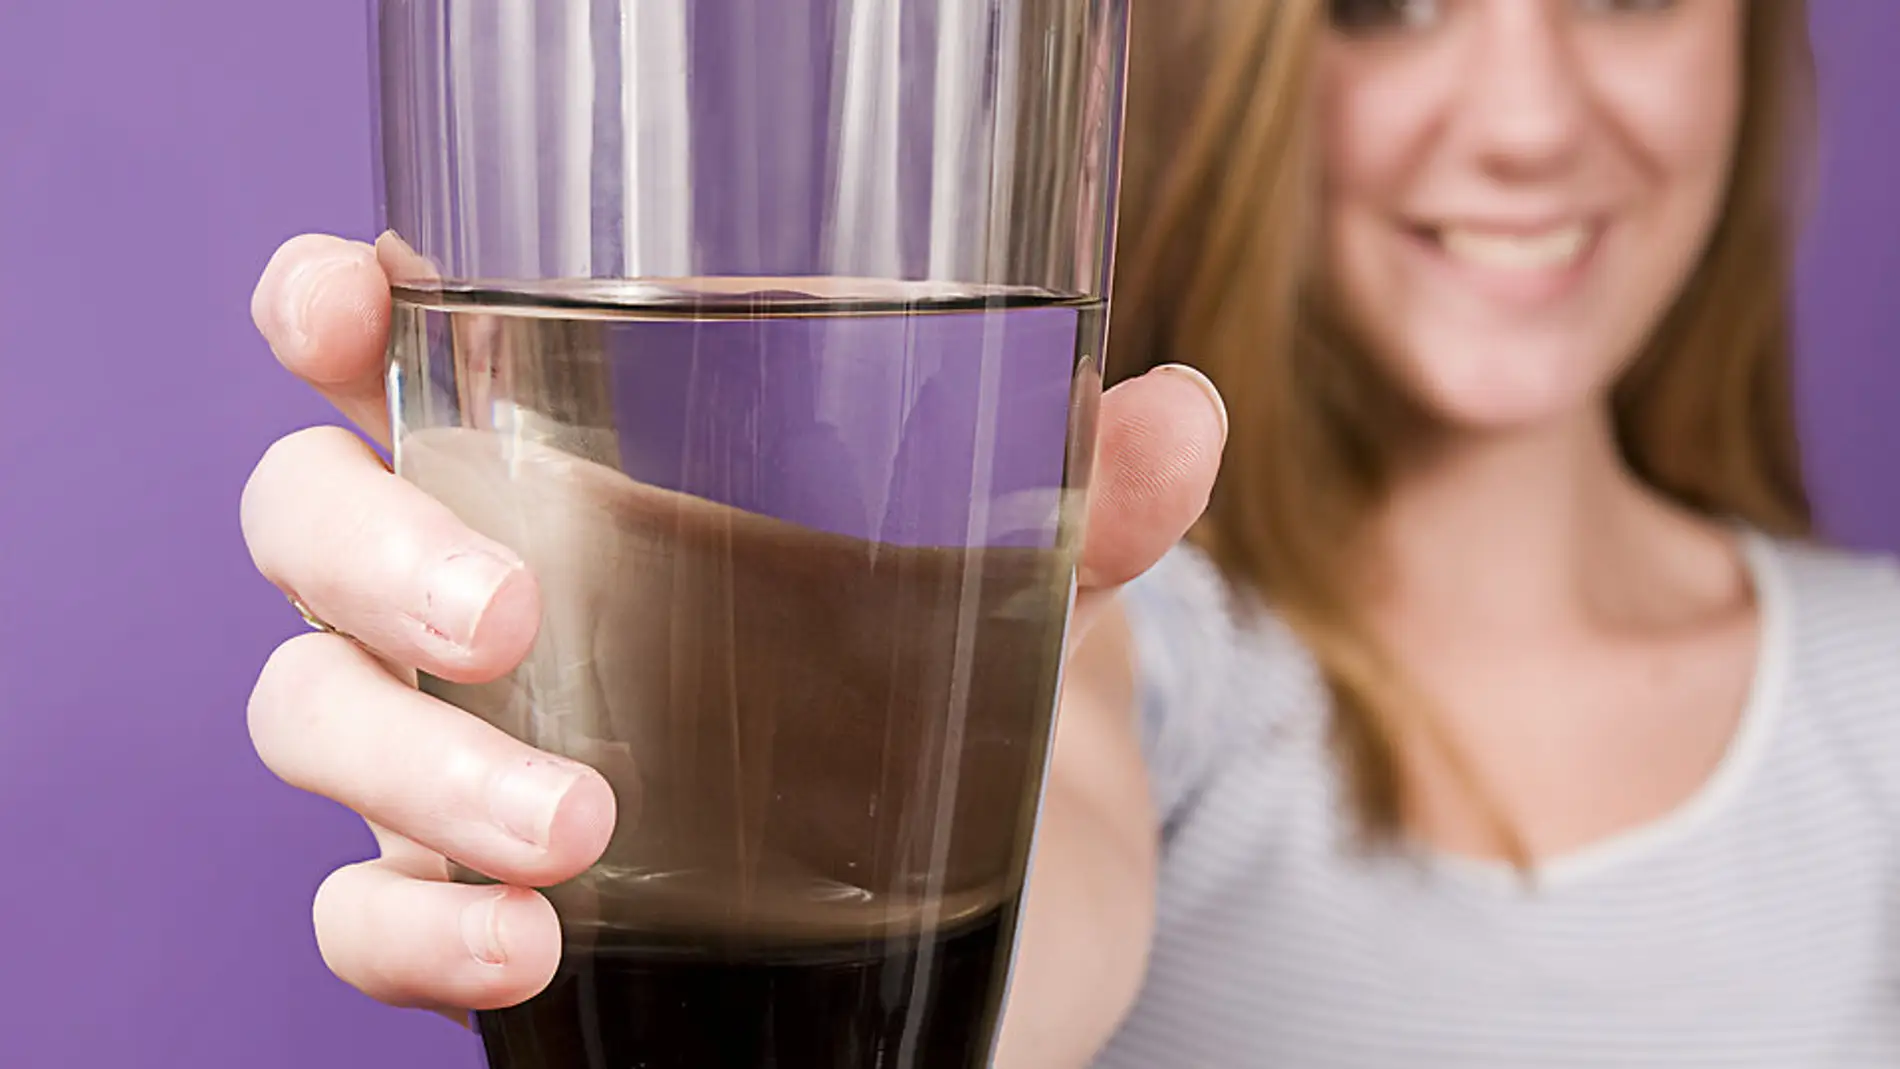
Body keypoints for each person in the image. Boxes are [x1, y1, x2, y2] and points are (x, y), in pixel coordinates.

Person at [240, 0, 1900, 1064]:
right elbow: (1042, 898)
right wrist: (630, 680)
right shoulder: (1120, 650)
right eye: (1387, 9)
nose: (1527, 119)